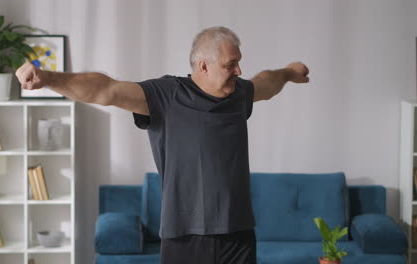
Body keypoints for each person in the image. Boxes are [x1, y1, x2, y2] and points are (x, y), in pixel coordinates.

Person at [16, 26, 309, 264]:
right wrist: (48, 77)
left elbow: (265, 83)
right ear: (204, 66)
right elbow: (106, 89)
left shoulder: (238, 94)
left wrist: (288, 73)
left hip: (239, 233)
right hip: (185, 238)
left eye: (238, 63)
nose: (238, 71)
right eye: (230, 65)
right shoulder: (167, 95)